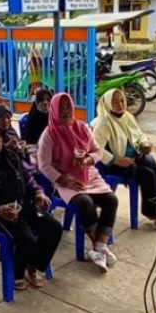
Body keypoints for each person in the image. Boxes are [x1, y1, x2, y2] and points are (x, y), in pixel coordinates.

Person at [0, 120, 62, 290]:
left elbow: (28, 180)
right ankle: (18, 272)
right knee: (27, 238)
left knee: (54, 228)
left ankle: (32, 266)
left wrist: (39, 193)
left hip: (21, 205)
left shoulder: (10, 157)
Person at [37, 93, 118, 273]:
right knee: (85, 202)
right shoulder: (49, 134)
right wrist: (64, 179)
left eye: (68, 107)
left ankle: (99, 246)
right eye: (61, 108)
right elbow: (43, 164)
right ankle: (98, 245)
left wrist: (88, 160)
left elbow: (97, 151)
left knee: (111, 200)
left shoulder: (82, 127)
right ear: (54, 110)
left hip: (88, 175)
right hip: (64, 180)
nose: (66, 111)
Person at [91, 89, 156, 230]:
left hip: (133, 159)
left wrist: (145, 143)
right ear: (107, 104)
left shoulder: (127, 116)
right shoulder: (103, 123)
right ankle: (154, 214)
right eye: (115, 102)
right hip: (114, 164)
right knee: (147, 174)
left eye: (122, 100)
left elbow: (139, 134)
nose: (120, 104)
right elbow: (96, 149)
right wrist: (116, 160)